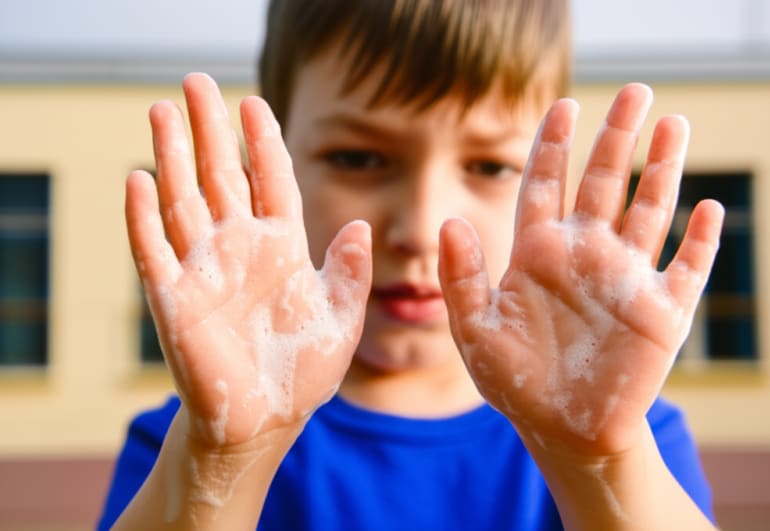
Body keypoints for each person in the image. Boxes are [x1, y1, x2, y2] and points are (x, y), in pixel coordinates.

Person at [98, 0, 724, 529]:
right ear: (267, 168)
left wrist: (600, 464)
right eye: (358, 158)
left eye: (489, 165)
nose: (421, 229)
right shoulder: (190, 443)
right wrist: (222, 463)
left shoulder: (624, 433)